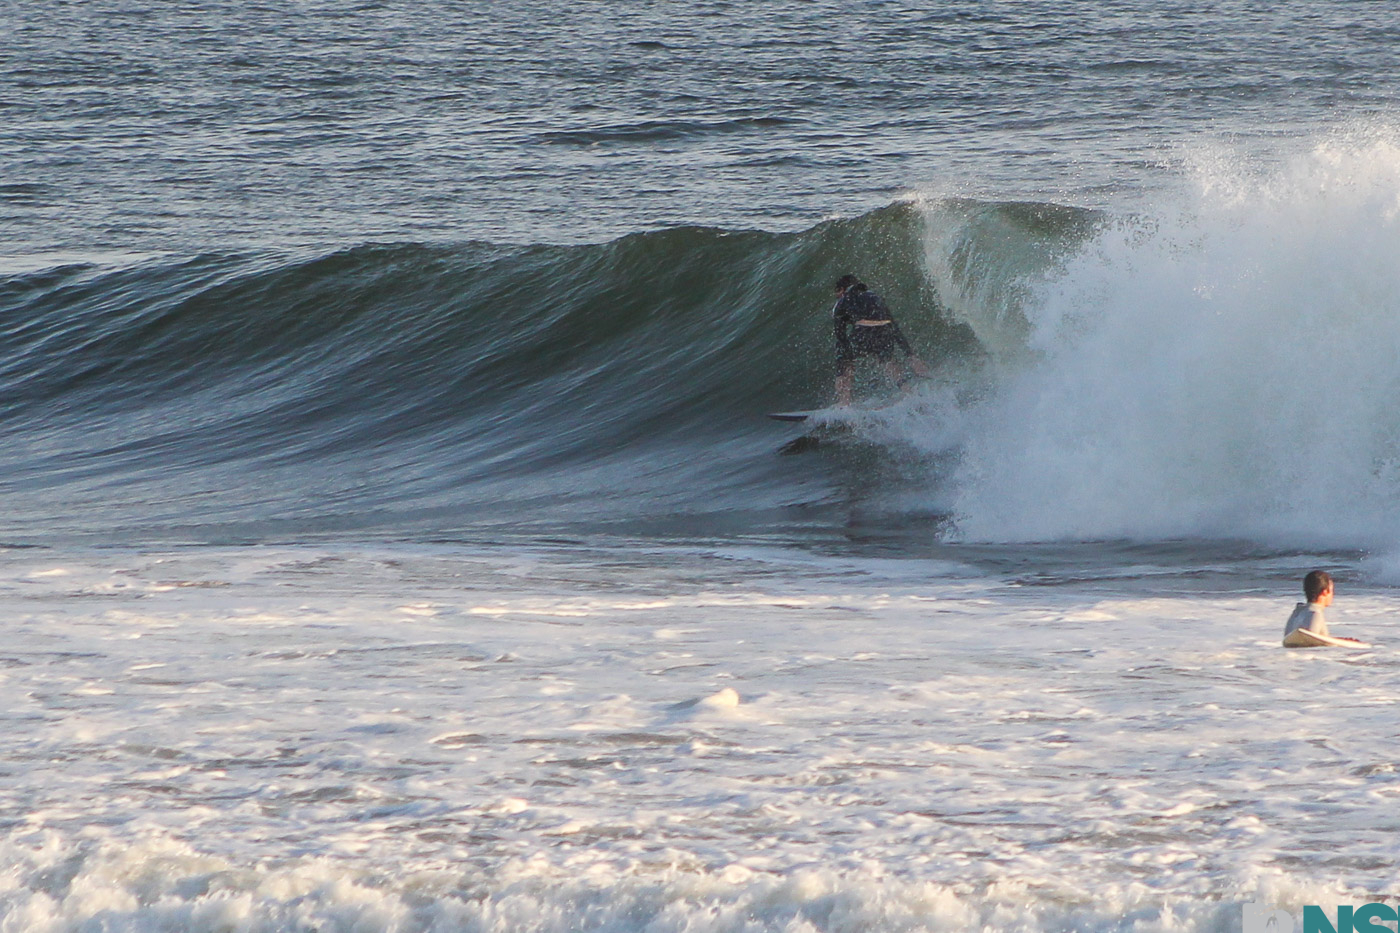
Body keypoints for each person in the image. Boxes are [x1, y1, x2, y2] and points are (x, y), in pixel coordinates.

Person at [831, 275, 929, 406]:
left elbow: (841, 338)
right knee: (887, 359)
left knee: (846, 360)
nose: (836, 296)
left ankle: (844, 404)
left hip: (863, 332)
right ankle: (909, 393)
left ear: (842, 290)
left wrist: (840, 372)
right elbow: (893, 326)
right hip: (884, 331)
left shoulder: (842, 302)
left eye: (837, 292)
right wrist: (910, 356)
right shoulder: (874, 296)